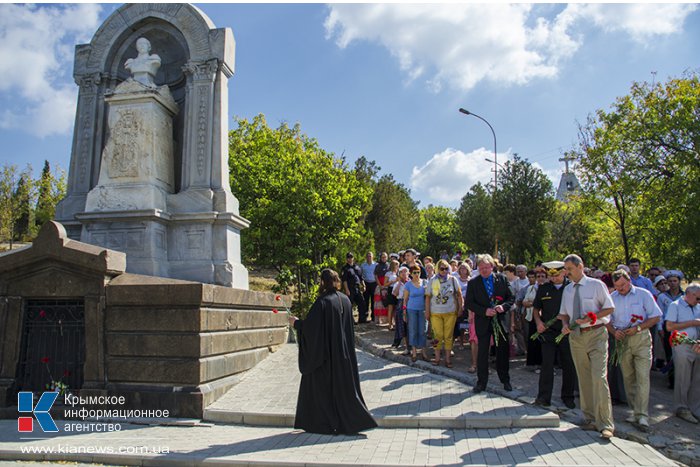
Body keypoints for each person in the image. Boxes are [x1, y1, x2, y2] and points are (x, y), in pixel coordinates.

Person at [289, 269, 377, 435]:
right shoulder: (345, 300)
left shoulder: (323, 302)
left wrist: (297, 323)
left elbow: (312, 329)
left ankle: (325, 424)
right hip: (345, 355)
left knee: (320, 387)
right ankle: (350, 423)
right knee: (345, 391)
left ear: (323, 282)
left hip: (327, 357)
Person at [559, 254, 615, 440]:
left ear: (580, 266)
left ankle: (606, 423)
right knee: (583, 378)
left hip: (596, 334)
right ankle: (589, 418)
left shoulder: (596, 285)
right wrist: (565, 325)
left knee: (599, 377)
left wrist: (592, 318)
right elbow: (564, 314)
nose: (567, 273)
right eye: (565, 269)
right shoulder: (567, 290)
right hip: (576, 337)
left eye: (570, 269)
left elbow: (609, 308)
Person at [608, 269, 662, 432]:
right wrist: (614, 332)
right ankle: (634, 410)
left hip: (641, 338)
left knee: (642, 376)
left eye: (623, 285)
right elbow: (606, 320)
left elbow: (655, 316)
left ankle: (642, 414)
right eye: (618, 287)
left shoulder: (643, 294)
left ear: (629, 281)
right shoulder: (612, 298)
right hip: (622, 340)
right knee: (628, 376)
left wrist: (639, 327)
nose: (621, 289)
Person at [465, 254, 515, 393]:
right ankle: (481, 382)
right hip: (483, 321)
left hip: (500, 320)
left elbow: (511, 298)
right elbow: (469, 303)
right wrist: (484, 311)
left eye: (486, 268)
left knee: (502, 351)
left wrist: (503, 307)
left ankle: (505, 380)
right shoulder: (473, 283)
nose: (484, 270)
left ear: (492, 267)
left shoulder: (502, 279)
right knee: (482, 353)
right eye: (481, 268)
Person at [532, 261, 576, 409]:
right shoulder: (544, 288)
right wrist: (538, 322)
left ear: (564, 272)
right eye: (551, 276)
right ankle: (543, 397)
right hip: (548, 333)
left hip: (566, 332)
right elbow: (536, 309)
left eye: (556, 275)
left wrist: (570, 325)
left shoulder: (571, 288)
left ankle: (568, 397)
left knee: (568, 365)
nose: (554, 278)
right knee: (547, 365)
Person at [665, 283, 700, 424]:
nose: (699, 301)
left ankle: (695, 408)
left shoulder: (698, 306)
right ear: (689, 294)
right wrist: (692, 322)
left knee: (697, 378)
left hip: (697, 345)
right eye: (697, 298)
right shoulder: (675, 305)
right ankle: (682, 408)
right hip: (682, 344)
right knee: (683, 376)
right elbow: (669, 326)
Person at [425, 259, 463, 368]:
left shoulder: (453, 279)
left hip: (450, 312)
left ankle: (447, 359)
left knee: (448, 336)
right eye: (442, 268)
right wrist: (427, 311)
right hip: (435, 312)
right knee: (437, 336)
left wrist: (460, 307)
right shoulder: (432, 280)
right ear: (437, 269)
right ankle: (437, 358)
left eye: (446, 268)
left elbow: (459, 294)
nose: (444, 271)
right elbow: (428, 297)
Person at [403, 265, 429, 362]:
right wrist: (404, 311)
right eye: (414, 272)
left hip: (422, 309)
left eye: (418, 272)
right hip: (412, 309)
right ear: (410, 273)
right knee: (413, 330)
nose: (417, 274)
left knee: (423, 330)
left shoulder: (425, 282)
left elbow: (428, 296)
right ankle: (414, 351)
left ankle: (423, 352)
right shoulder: (408, 284)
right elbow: (405, 299)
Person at [341, 252, 367, 324]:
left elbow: (361, 277)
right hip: (350, 288)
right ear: (346, 259)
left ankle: (362, 319)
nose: (350, 259)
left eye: (351, 257)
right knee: (349, 305)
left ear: (353, 258)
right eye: (348, 258)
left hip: (357, 287)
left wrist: (363, 285)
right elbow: (344, 280)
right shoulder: (345, 268)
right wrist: (346, 289)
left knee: (362, 303)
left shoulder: (357, 267)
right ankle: (350, 321)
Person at [361, 252, 377, 321]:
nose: (369, 257)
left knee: (374, 301)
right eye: (367, 256)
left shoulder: (376, 265)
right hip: (366, 283)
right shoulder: (363, 265)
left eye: (370, 256)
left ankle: (373, 316)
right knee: (366, 300)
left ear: (372, 257)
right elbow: (361, 275)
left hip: (374, 283)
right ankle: (365, 316)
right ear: (366, 257)